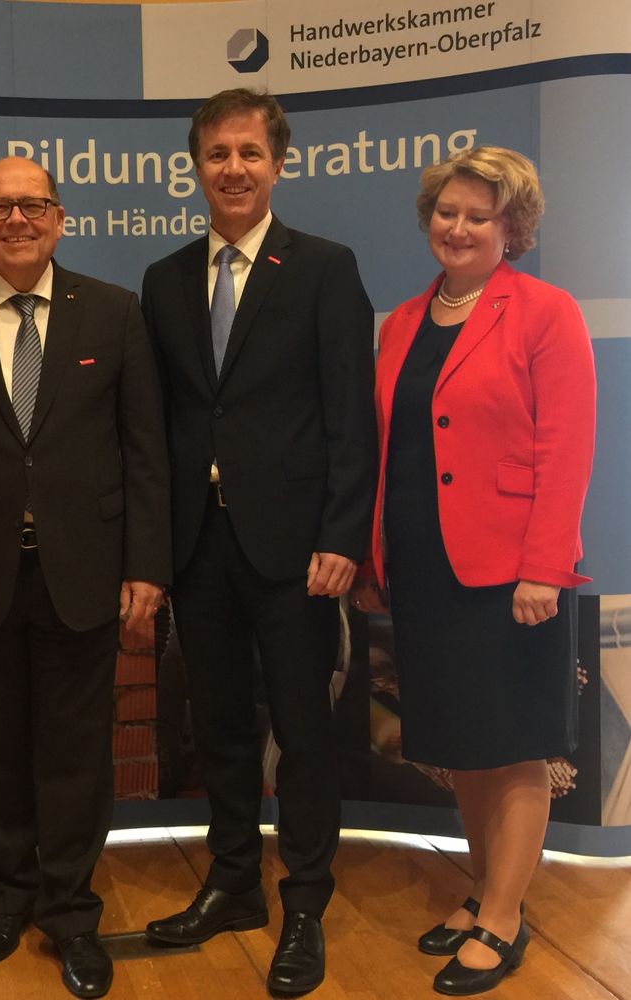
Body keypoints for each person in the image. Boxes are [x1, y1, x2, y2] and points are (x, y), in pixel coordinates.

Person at [0, 156, 171, 1000]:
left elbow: (144, 451)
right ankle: (5, 900)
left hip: (83, 571)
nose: (17, 220)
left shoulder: (114, 311)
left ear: (59, 218)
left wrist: (146, 566)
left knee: (77, 754)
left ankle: (72, 914)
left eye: (34, 205)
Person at [141, 89, 377, 997]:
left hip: (297, 551)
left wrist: (342, 534)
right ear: (195, 167)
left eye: (249, 152)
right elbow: (162, 424)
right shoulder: (165, 280)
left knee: (304, 731)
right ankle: (235, 882)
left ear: (279, 163)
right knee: (220, 726)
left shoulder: (324, 267)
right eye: (217, 154)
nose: (232, 169)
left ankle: (304, 901)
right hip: (198, 546)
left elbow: (350, 414)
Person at [352, 146, 595, 996]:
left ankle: (503, 915)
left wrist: (544, 567)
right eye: (446, 212)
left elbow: (567, 448)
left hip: (512, 574)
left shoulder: (546, 312)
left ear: (511, 228)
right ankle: (486, 891)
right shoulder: (402, 322)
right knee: (464, 746)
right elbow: (394, 451)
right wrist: (377, 556)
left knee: (515, 745)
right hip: (424, 569)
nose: (457, 227)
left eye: (478, 216)